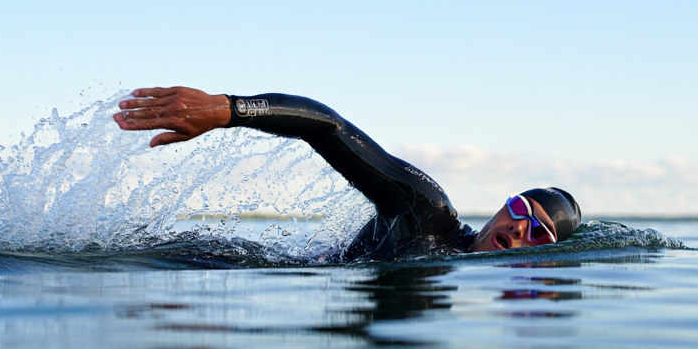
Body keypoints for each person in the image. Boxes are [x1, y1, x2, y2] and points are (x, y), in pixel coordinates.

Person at [113, 87, 582, 260]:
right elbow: (328, 126)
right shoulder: (427, 213)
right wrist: (228, 109)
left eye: (539, 231)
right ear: (504, 205)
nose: (520, 226)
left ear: (551, 256)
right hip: (240, 263)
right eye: (521, 208)